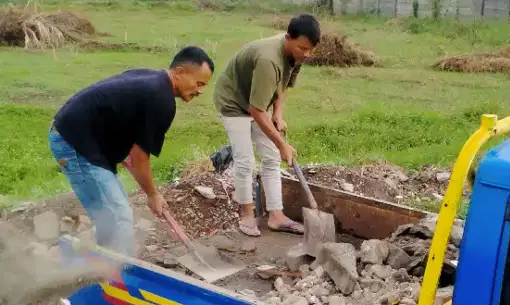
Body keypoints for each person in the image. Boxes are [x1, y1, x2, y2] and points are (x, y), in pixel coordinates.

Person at [49, 46, 215, 255]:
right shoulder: (161, 100)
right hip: (73, 143)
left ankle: (106, 262)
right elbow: (139, 158)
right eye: (199, 83)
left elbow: (123, 122)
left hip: (85, 141)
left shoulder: (153, 81)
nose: (200, 91)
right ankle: (114, 272)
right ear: (180, 72)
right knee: (117, 216)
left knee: (115, 214)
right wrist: (153, 195)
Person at [213, 14, 321, 236]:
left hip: (258, 100)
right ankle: (247, 215)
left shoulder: (296, 54)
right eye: (303, 48)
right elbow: (255, 110)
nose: (307, 54)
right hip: (234, 101)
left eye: (310, 49)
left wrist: (278, 114)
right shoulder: (268, 60)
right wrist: (282, 144)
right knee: (245, 161)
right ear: (288, 38)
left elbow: (282, 85)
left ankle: (276, 215)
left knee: (271, 158)